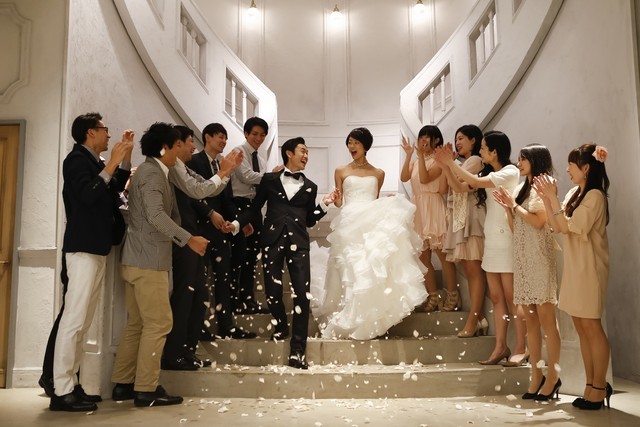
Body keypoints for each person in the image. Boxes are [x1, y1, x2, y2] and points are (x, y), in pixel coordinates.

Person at [110, 122, 209, 407]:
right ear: (165, 148)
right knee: (159, 323)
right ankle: (146, 389)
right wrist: (188, 239)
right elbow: (155, 215)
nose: (181, 151)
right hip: (148, 262)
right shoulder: (153, 174)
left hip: (136, 259)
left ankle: (123, 384)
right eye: (177, 145)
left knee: (138, 324)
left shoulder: (149, 171)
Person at [43, 113, 132, 412]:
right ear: (90, 132)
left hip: (97, 247)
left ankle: (73, 383)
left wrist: (125, 158)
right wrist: (111, 163)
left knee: (84, 321)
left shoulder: (94, 162)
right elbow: (87, 195)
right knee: (74, 320)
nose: (109, 135)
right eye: (104, 130)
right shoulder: (76, 160)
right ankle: (61, 390)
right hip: (81, 248)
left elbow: (114, 188)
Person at [229, 137, 337, 369]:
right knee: (272, 291)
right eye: (302, 151)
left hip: (299, 244)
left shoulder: (310, 187)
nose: (306, 156)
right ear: (289, 153)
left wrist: (325, 204)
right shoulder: (269, 180)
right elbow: (254, 208)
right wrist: (237, 224)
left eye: (307, 152)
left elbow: (309, 220)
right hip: (272, 241)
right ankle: (280, 325)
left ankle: (298, 351)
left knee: (302, 295)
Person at [311, 128, 428, 340]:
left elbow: (373, 199)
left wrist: (387, 202)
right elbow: (340, 202)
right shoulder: (341, 170)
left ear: (365, 145)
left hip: (369, 222)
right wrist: (334, 198)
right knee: (350, 266)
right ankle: (349, 313)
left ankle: (368, 316)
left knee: (368, 267)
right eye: (349, 142)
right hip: (349, 222)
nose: (351, 146)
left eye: (355, 142)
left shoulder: (378, 173)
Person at [435, 130, 526, 364]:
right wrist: (447, 167)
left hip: (506, 238)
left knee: (512, 297)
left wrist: (450, 163)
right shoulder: (489, 172)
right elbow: (461, 188)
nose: (481, 151)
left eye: (484, 148)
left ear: (495, 152)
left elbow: (474, 182)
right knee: (496, 297)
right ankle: (500, 347)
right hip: (492, 238)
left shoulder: (510, 172)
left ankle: (521, 347)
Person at [533, 144, 612, 410]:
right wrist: (547, 199)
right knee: (581, 326)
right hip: (575, 267)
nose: (567, 170)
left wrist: (552, 198)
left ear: (586, 168)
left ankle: (599, 387)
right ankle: (591, 385)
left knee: (592, 326)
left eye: (571, 165)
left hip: (590, 268)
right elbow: (558, 226)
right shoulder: (574, 193)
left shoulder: (595, 196)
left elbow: (574, 226)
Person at [493, 144, 561, 400]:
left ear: (537, 160)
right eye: (519, 159)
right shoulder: (521, 188)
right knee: (530, 321)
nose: (519, 163)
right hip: (522, 259)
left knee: (547, 321)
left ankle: (553, 376)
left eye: (524, 159)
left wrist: (514, 206)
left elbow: (539, 222)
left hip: (540, 258)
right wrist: (508, 208)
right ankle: (536, 375)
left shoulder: (545, 185)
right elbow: (516, 228)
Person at [187, 123, 257, 340]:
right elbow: (192, 195)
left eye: (226, 138)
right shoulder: (193, 162)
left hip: (220, 232)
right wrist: (209, 213)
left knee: (224, 279)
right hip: (198, 231)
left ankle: (227, 325)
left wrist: (238, 222)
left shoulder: (222, 164)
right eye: (220, 137)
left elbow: (227, 199)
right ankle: (198, 326)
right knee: (199, 281)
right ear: (207, 137)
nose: (224, 142)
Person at [401, 125, 458, 312]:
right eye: (421, 137)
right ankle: (433, 295)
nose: (423, 140)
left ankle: (452, 294)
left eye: (427, 137)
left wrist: (419, 156)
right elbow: (404, 177)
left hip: (433, 206)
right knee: (423, 256)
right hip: (418, 208)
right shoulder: (417, 161)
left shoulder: (439, 160)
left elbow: (425, 179)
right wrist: (409, 155)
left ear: (436, 140)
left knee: (442, 255)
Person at [229, 117, 282, 314]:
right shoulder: (238, 152)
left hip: (254, 208)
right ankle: (234, 302)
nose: (259, 138)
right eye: (255, 134)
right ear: (246, 134)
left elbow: (262, 185)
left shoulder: (260, 159)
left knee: (252, 256)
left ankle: (248, 300)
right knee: (239, 255)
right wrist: (271, 177)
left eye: (262, 135)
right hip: (239, 206)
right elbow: (246, 176)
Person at [439, 125, 488, 338]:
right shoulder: (462, 163)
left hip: (472, 216)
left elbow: (459, 184)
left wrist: (448, 166)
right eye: (456, 139)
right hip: (462, 217)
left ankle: (473, 320)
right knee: (469, 270)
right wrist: (446, 166)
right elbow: (449, 186)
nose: (457, 143)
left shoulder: (475, 160)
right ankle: (478, 318)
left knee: (474, 270)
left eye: (461, 138)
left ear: (473, 140)